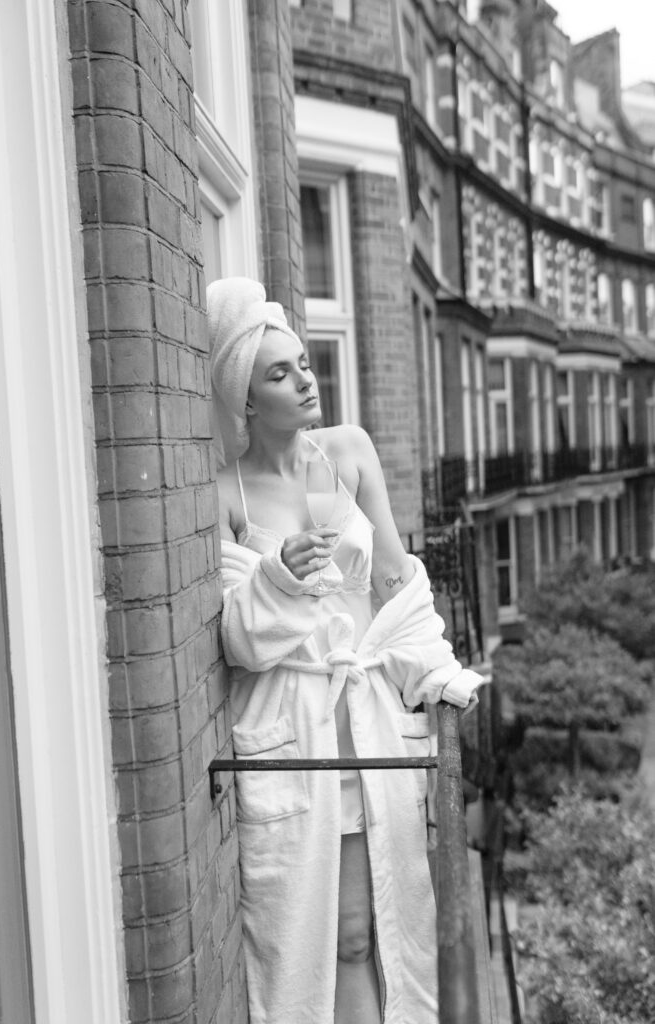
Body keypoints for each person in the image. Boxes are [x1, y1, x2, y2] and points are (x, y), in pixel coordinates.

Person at [208, 278, 484, 1024]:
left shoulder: (349, 452)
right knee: (306, 947)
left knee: (365, 936)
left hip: (366, 730)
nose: (304, 379)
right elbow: (238, 641)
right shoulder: (226, 494)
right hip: (292, 733)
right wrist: (280, 576)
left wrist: (438, 673)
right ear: (244, 400)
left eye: (302, 362)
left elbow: (395, 582)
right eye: (279, 373)